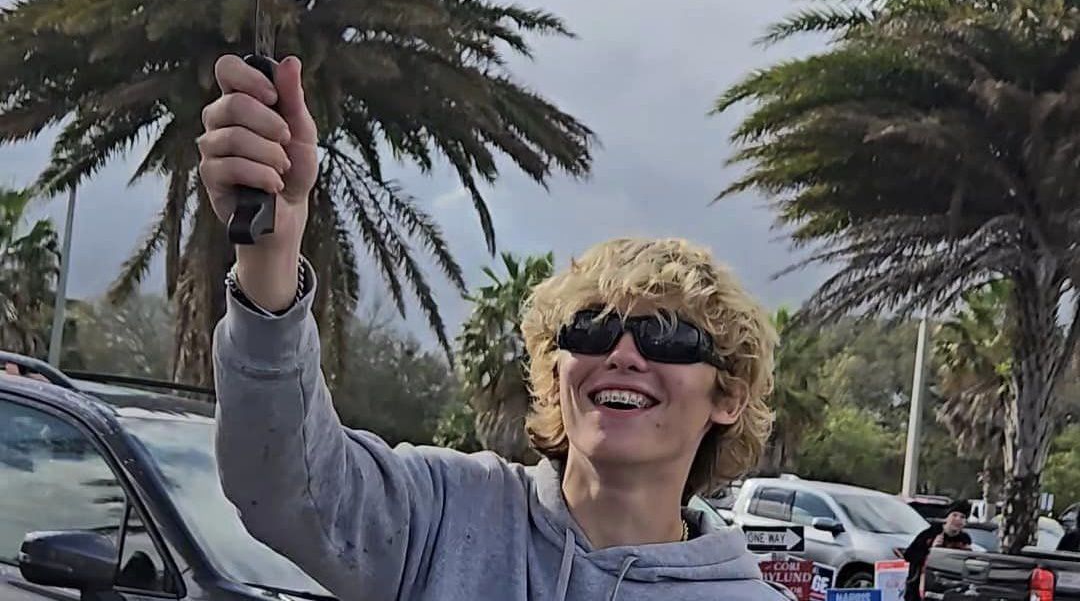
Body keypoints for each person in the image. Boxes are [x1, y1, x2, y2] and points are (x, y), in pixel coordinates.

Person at [199, 53, 789, 601]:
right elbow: (284, 484)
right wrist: (270, 253)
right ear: (557, 367)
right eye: (591, 329)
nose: (624, 354)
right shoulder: (441, 513)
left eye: (666, 335)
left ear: (729, 397)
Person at [903, 500, 972, 600]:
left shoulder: (965, 539)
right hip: (923, 585)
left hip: (951, 586)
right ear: (947, 517)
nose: (958, 519)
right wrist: (932, 550)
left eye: (962, 517)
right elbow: (909, 556)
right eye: (955, 515)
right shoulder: (930, 533)